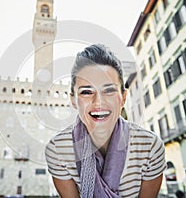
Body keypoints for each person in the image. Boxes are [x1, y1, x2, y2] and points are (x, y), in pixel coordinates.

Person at [45, 44, 166, 197]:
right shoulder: (58, 149)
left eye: (109, 90)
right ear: (74, 101)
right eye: (87, 92)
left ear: (123, 98)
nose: (99, 102)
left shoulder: (149, 146)